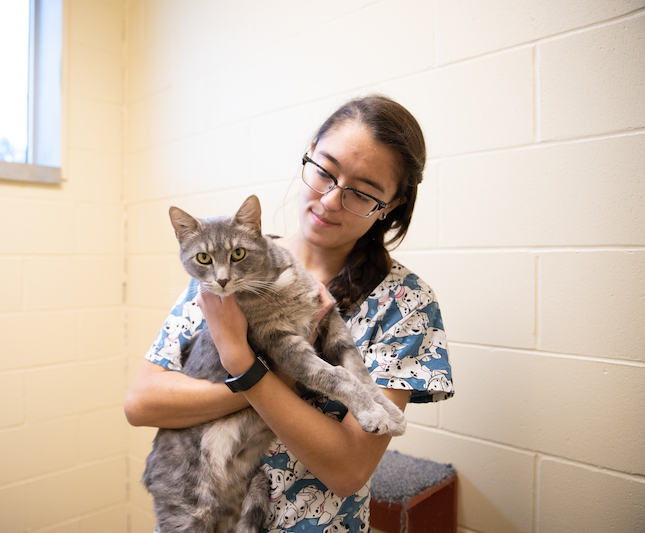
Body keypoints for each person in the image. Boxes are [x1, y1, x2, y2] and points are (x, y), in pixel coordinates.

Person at [125, 94, 454, 532]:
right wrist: (266, 378)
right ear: (310, 154)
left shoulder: (405, 303)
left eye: (361, 192)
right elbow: (143, 402)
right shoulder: (228, 267)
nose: (332, 200)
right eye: (324, 171)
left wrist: (243, 365)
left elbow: (349, 469)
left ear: (390, 205)